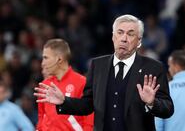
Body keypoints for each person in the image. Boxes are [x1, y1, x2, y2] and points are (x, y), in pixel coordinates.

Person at [34, 14, 174, 131]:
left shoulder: (153, 68)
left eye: (130, 34)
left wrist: (152, 103)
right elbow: (88, 104)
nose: (124, 38)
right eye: (120, 33)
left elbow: (168, 109)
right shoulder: (97, 65)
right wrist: (65, 101)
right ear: (113, 37)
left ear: (139, 42)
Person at [36, 39, 94, 131]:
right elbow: (41, 117)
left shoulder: (82, 83)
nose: (43, 63)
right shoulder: (44, 85)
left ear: (59, 59)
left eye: (46, 58)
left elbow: (89, 123)